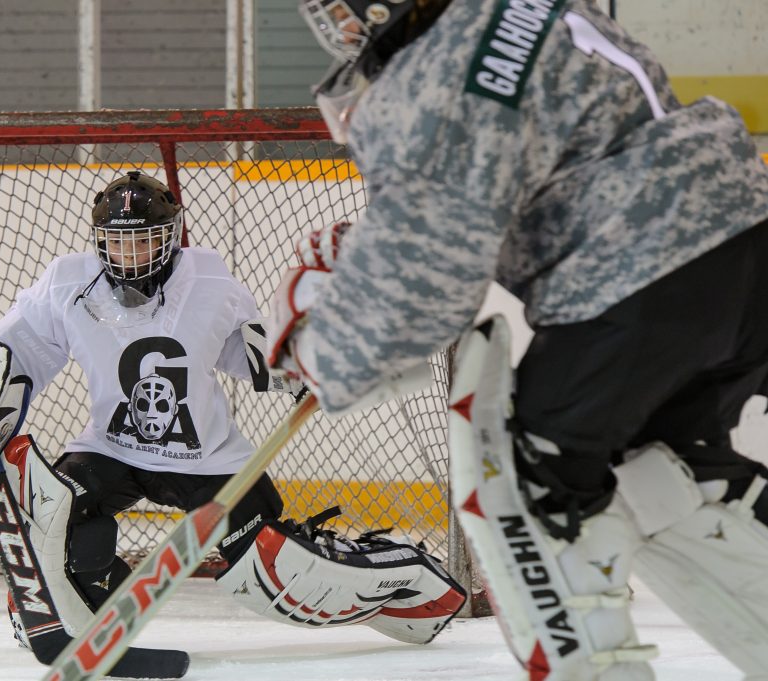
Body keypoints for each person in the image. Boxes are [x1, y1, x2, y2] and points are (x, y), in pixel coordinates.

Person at [267, 2, 768, 680]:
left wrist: (325, 349)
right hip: (742, 243)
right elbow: (501, 182)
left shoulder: (442, 66)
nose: (342, 29)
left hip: (644, 272)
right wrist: (371, 266)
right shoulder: (526, 10)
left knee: (535, 495)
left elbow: (422, 285)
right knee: (665, 478)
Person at [0, 171, 466, 659]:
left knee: (278, 571)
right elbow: (11, 355)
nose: (131, 255)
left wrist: (313, 365)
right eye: (119, 242)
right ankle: (59, 617)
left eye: (145, 241)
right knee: (51, 513)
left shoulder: (209, 282)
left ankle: (409, 580)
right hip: (111, 448)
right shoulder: (67, 283)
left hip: (207, 460)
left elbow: (252, 356)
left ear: (170, 236)